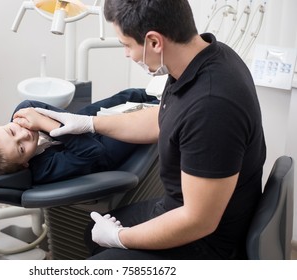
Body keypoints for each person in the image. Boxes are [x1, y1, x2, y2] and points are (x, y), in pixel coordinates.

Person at [15, 0, 267, 259]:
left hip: (205, 244)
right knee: (91, 232)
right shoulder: (205, 57)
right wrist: (89, 123)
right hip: (179, 209)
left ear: (154, 42)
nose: (127, 54)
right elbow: (164, 116)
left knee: (103, 248)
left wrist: (119, 238)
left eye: (126, 45)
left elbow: (199, 221)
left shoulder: (212, 107)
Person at [0, 88, 158, 184]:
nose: (24, 135)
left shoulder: (22, 115)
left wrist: (49, 121)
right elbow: (93, 151)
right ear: (24, 164)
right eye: (21, 148)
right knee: (146, 116)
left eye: (11, 131)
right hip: (103, 152)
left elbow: (27, 103)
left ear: (1, 126)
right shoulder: (43, 169)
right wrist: (45, 123)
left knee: (130, 95)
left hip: (83, 121)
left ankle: (163, 89)